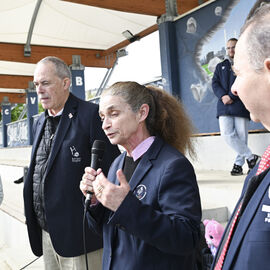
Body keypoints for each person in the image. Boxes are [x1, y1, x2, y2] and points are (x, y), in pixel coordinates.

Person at [80, 81, 202, 270]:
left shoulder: (173, 165)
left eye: (114, 114)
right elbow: (106, 230)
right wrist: (95, 201)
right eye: (102, 116)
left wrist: (125, 206)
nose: (105, 125)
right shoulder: (116, 164)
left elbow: (186, 237)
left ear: (141, 113)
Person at [23, 56, 120, 270]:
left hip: (81, 238)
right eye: (37, 84)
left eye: (46, 83)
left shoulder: (91, 115)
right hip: (47, 235)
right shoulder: (39, 122)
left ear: (65, 83)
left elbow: (113, 169)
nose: (39, 90)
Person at [211, 3, 270, 269]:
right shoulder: (261, 168)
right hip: (226, 111)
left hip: (238, 114)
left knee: (241, 139)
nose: (234, 87)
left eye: (240, 74)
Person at [212, 38, 259, 176]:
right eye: (228, 48)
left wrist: (232, 96)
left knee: (241, 137)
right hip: (223, 106)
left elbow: (245, 81)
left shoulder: (245, 64)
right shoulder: (220, 66)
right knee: (227, 135)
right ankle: (251, 157)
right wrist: (223, 96)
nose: (231, 50)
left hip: (240, 105)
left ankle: (238, 166)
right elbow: (215, 84)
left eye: (233, 47)